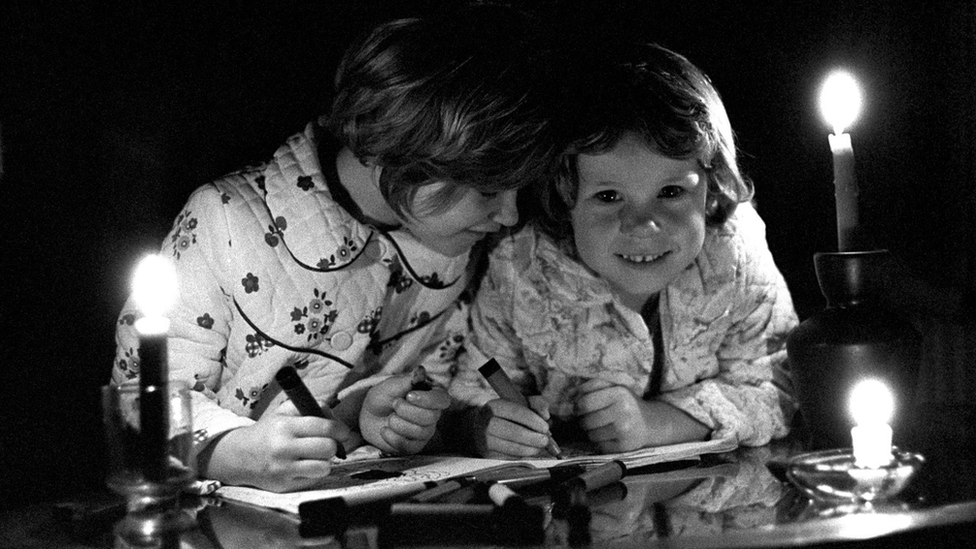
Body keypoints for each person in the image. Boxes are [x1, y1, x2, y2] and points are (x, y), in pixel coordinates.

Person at [111, 4, 559, 492]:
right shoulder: (225, 221)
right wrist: (229, 452)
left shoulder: (451, 242)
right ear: (400, 150)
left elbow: (432, 381)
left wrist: (436, 423)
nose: (510, 217)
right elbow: (143, 395)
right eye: (489, 189)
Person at [448, 42, 798, 458]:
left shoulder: (736, 256)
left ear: (711, 185)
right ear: (566, 196)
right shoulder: (520, 269)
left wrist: (658, 423)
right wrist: (488, 425)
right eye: (609, 197)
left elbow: (779, 386)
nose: (642, 224)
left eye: (670, 192)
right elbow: (473, 385)